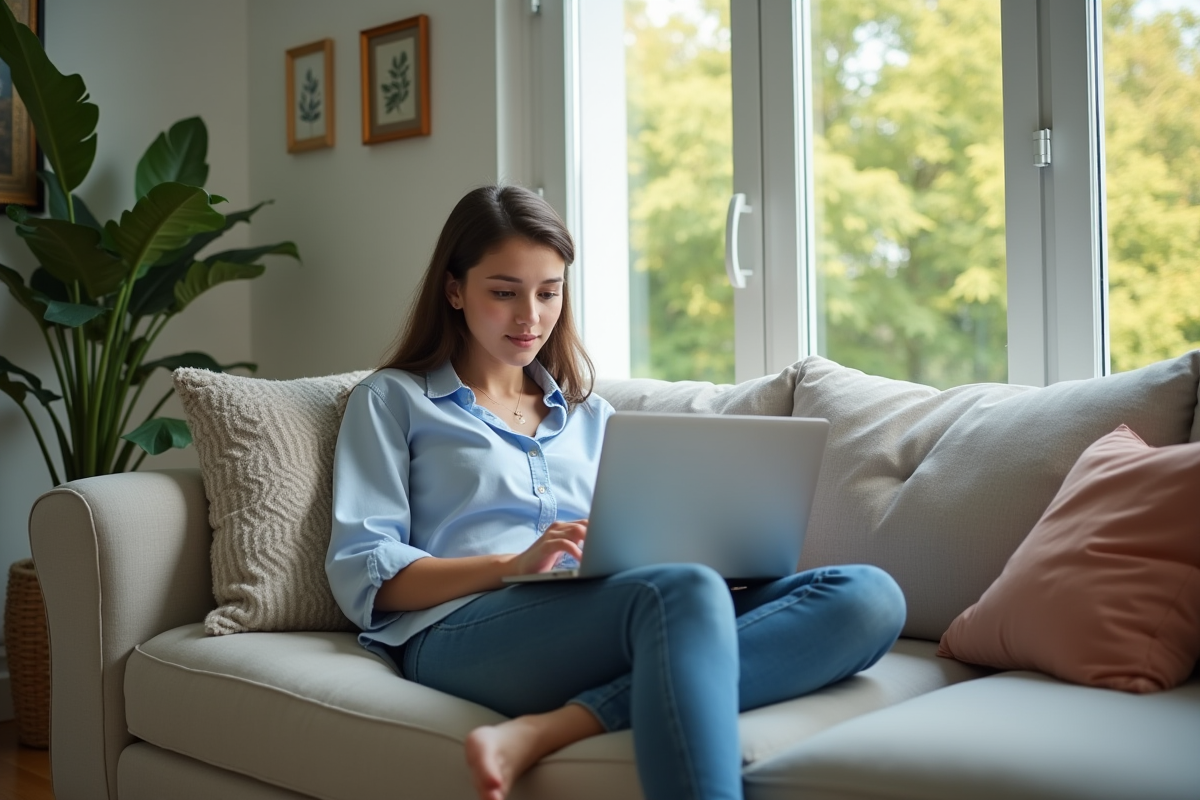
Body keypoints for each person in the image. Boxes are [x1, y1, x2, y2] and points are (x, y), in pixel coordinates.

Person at [326, 184, 907, 800]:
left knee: (867, 598)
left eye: (548, 293)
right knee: (681, 592)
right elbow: (366, 573)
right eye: (504, 293)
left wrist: (709, 554)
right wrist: (512, 565)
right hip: (457, 629)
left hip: (605, 610)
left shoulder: (593, 416)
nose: (530, 317)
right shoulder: (393, 400)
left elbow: (638, 543)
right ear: (454, 290)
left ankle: (551, 728)